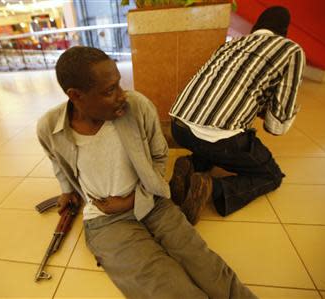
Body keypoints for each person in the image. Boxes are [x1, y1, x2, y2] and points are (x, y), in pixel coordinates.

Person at [37, 46, 256, 299]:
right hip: (106, 221)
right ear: (76, 96)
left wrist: (133, 199)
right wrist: (66, 190)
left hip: (152, 202)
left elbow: (160, 155)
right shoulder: (49, 127)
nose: (121, 95)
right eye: (110, 91)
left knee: (207, 268)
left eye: (119, 84)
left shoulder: (137, 107)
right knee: (164, 286)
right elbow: (55, 158)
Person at [169, 6, 306, 224]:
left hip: (179, 127)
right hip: (220, 139)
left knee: (208, 138)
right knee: (270, 175)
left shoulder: (230, 44)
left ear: (256, 27)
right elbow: (276, 126)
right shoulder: (290, 50)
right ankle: (211, 188)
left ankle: (190, 164)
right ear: (283, 32)